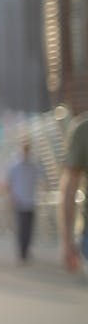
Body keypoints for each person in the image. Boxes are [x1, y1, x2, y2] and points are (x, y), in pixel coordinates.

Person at [60, 112, 88, 274]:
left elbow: (69, 191)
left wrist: (67, 243)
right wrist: (67, 242)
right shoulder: (84, 131)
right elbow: (68, 190)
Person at [5, 141, 40, 264]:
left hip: (31, 200)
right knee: (21, 228)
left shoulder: (34, 165)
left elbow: (39, 180)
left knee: (29, 228)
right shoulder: (15, 166)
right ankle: (22, 253)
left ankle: (26, 250)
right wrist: (11, 198)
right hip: (19, 201)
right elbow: (9, 182)